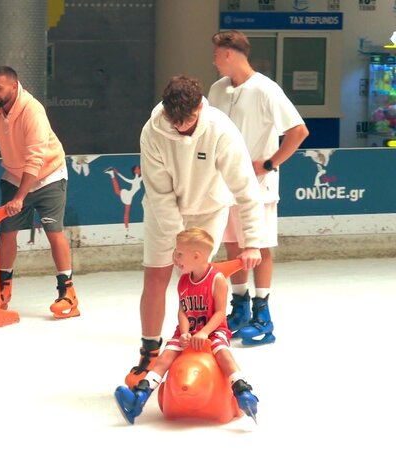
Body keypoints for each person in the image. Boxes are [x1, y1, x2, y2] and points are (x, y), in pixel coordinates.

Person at [124, 75, 264, 389]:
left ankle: (204, 346)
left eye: (186, 121)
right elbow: (160, 194)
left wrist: (252, 242)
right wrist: (178, 243)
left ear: (200, 107)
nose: (180, 128)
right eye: (174, 122)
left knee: (199, 285)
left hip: (208, 212)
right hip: (164, 215)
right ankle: (149, 352)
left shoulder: (221, 129)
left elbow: (245, 188)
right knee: (155, 277)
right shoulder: (153, 131)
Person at [208, 30, 309, 345]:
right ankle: (240, 307)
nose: (213, 61)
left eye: (215, 54)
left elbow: (298, 131)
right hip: (224, 185)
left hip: (259, 185)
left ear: (228, 53)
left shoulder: (266, 89)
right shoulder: (217, 90)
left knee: (259, 246)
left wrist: (269, 163)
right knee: (234, 246)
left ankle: (263, 314)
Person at [0, 66, 79, 319]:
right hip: (15, 176)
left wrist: (19, 198)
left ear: (14, 87)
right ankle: (3, 288)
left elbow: (35, 159)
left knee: (54, 231)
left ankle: (67, 292)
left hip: (49, 173)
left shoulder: (33, 111)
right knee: (7, 233)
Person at [115, 228, 259, 424]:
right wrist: (184, 333)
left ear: (197, 256)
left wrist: (204, 333)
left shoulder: (216, 279)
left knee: (223, 353)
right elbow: (183, 310)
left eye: (180, 253)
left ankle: (243, 391)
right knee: (164, 358)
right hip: (188, 331)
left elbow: (219, 313)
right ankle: (139, 398)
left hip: (214, 330)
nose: (176, 257)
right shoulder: (184, 279)